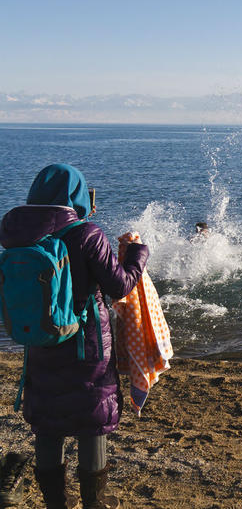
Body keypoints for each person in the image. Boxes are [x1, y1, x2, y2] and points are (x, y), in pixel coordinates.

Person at [0, 164, 149, 508]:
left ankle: (56, 502)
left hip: (40, 336)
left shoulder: (17, 234)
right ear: (77, 196)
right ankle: (93, 502)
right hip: (87, 344)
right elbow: (120, 286)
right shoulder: (87, 234)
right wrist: (138, 256)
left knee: (48, 420)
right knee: (91, 418)